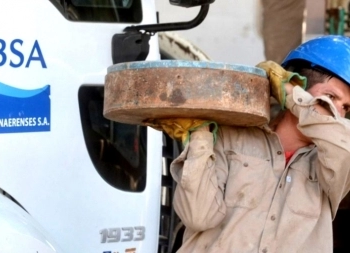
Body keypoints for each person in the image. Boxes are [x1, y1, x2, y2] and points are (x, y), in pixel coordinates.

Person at [148, 35, 350, 252]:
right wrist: (199, 138)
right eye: (330, 97)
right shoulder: (231, 137)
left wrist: (293, 97)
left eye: (346, 107)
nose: (337, 113)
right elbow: (197, 216)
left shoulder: (331, 168)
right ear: (298, 85)